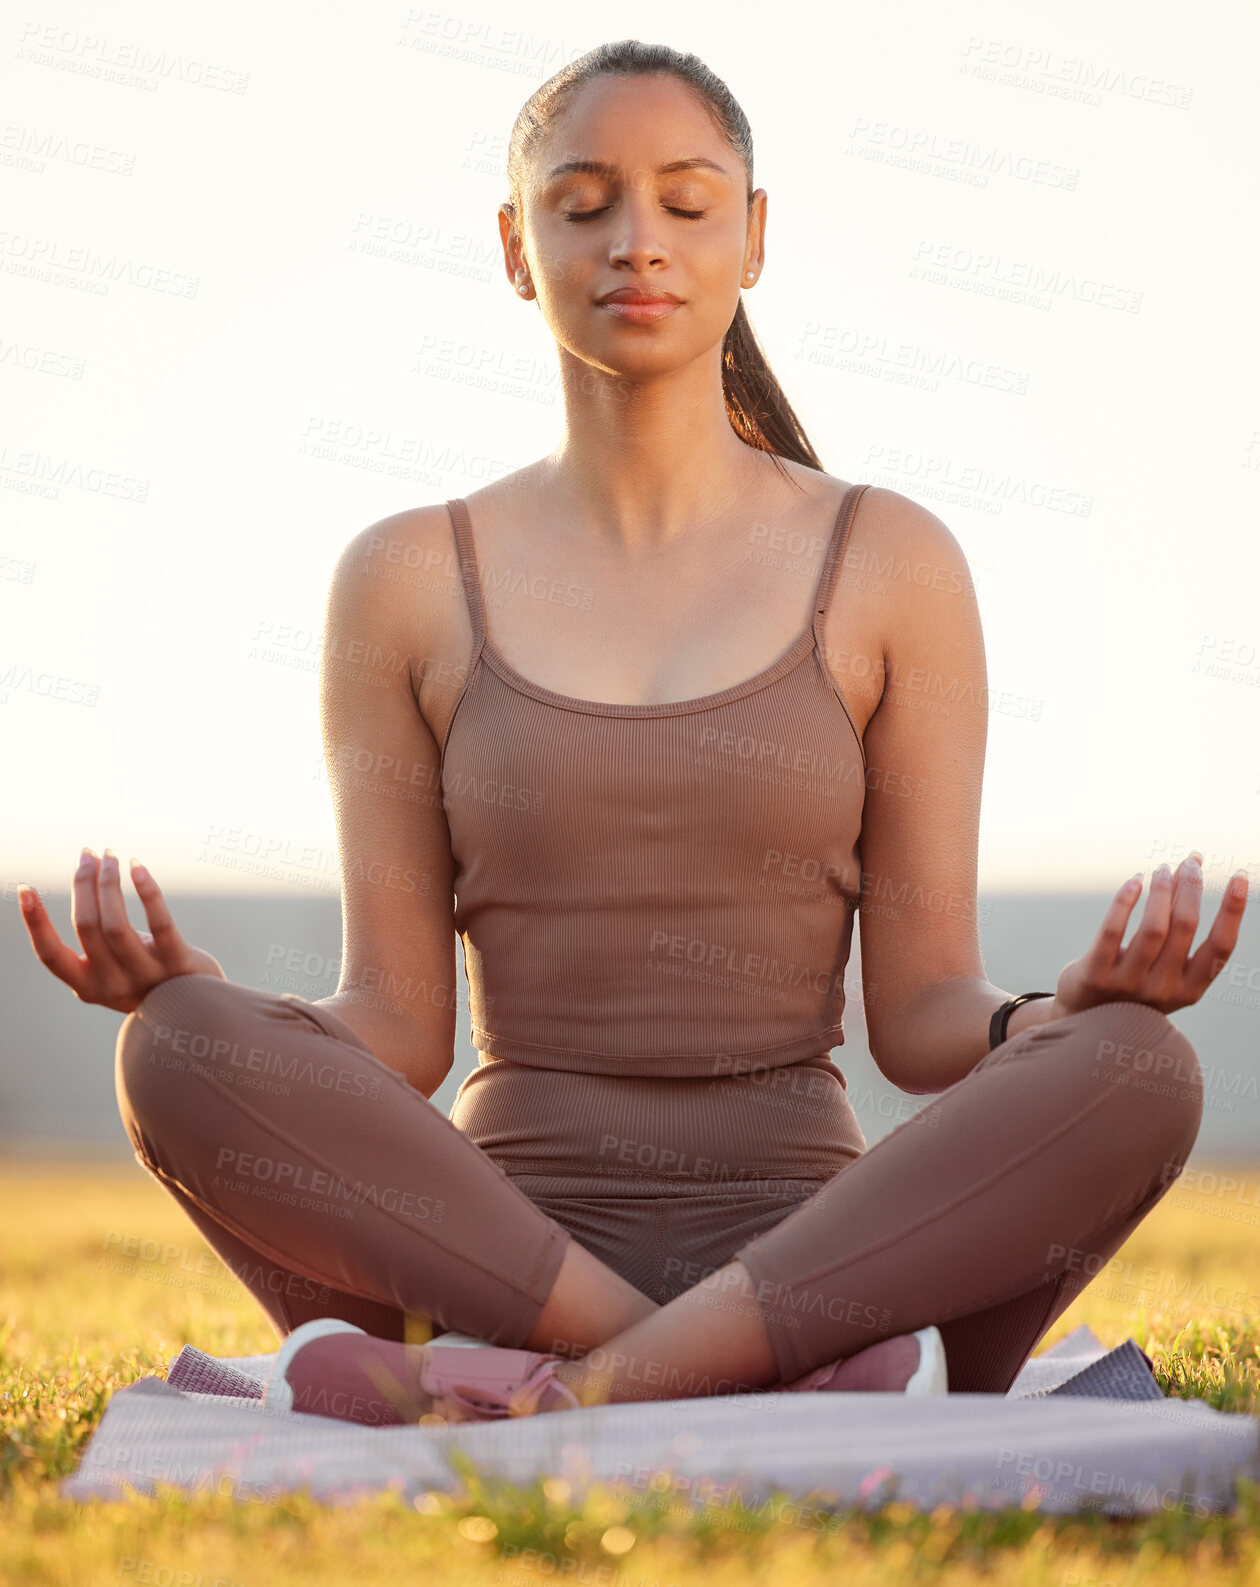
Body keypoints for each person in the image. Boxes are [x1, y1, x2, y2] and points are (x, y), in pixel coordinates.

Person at [18, 40, 1247, 1428]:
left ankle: (558, 1390)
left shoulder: (888, 559)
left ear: (755, 234)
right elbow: (399, 1027)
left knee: (1141, 1067)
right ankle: (716, 1378)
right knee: (174, 1048)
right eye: (584, 201)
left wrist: (1057, 1014)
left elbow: (919, 1018)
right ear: (514, 244)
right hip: (498, 1251)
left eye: (687, 199)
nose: (635, 243)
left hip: (820, 1254)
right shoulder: (408, 575)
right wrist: (223, 1009)